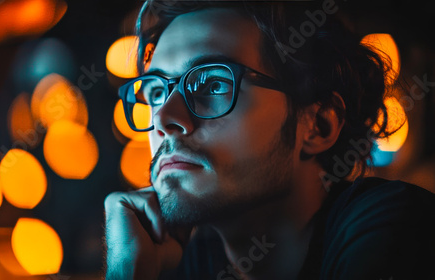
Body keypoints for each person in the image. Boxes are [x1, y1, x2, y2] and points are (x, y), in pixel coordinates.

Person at [103, 1, 435, 279]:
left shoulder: (398, 228)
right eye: (157, 92)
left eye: (214, 85)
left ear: (317, 126)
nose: (162, 118)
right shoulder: (180, 258)